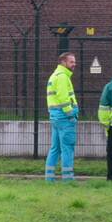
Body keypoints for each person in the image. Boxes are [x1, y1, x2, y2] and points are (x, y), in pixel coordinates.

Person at [46, 52, 79, 182]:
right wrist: (71, 115)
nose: (74, 64)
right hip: (65, 118)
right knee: (67, 148)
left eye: (74, 62)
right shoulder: (62, 77)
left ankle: (49, 179)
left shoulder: (54, 76)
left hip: (56, 117)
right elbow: (64, 99)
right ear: (63, 62)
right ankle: (68, 179)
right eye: (71, 62)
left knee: (55, 149)